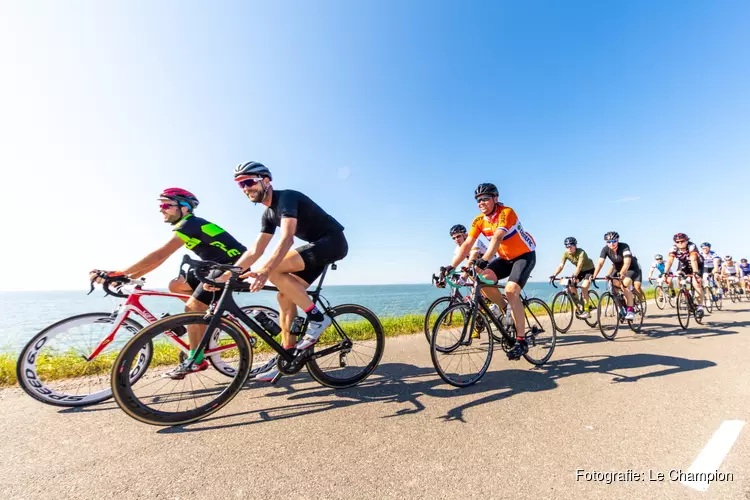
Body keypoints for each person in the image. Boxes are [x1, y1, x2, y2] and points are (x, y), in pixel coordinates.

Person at [89, 188, 247, 379]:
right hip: (213, 266)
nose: (161, 210)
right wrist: (127, 277)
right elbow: (158, 260)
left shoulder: (191, 224)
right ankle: (205, 322)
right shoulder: (188, 225)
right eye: (160, 206)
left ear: (185, 208)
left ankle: (196, 360)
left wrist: (120, 272)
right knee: (176, 286)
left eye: (166, 205)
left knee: (192, 307)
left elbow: (160, 254)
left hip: (234, 266)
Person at [213, 161, 348, 383]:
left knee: (274, 269)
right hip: (313, 249)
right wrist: (225, 277)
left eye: (248, 182)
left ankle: (317, 318)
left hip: (332, 242)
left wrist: (265, 271)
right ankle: (288, 358)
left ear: (266, 181)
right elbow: (256, 250)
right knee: (283, 296)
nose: (245, 188)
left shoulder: (287, 198)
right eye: (240, 185)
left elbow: (287, 238)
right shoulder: (267, 215)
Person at [446, 183, 536, 360]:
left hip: (524, 256)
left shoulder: (506, 213)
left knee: (510, 291)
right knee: (482, 280)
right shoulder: (479, 220)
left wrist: (484, 259)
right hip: (505, 258)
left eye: (485, 198)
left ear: (495, 198)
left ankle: (521, 340)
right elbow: (466, 245)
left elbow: (497, 238)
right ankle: (505, 310)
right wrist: (451, 267)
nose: (481, 202)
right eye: (478, 200)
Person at [590, 231, 642, 321]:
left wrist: (622, 274)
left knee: (624, 285)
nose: (611, 244)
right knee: (613, 287)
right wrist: (594, 275)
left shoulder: (624, 246)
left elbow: (627, 263)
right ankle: (622, 308)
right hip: (617, 269)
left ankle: (630, 310)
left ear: (618, 240)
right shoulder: (605, 249)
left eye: (614, 241)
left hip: (631, 268)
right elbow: (600, 263)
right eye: (609, 242)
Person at [549, 237, 596, 319]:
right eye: (567, 247)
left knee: (584, 288)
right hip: (580, 272)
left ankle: (586, 310)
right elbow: (561, 266)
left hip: (589, 270)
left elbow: (579, 266)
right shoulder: (566, 253)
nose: (569, 248)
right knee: (570, 284)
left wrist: (574, 275)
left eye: (570, 246)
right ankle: (579, 303)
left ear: (575, 246)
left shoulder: (581, 252)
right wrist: (554, 275)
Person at [663, 233, 705, 317]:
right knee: (678, 275)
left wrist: (696, 272)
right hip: (684, 265)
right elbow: (670, 261)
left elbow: (693, 260)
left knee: (696, 284)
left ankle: (700, 307)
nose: (680, 243)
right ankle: (684, 292)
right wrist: (665, 273)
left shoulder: (691, 246)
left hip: (697, 264)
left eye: (682, 241)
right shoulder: (673, 248)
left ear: (687, 241)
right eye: (677, 242)